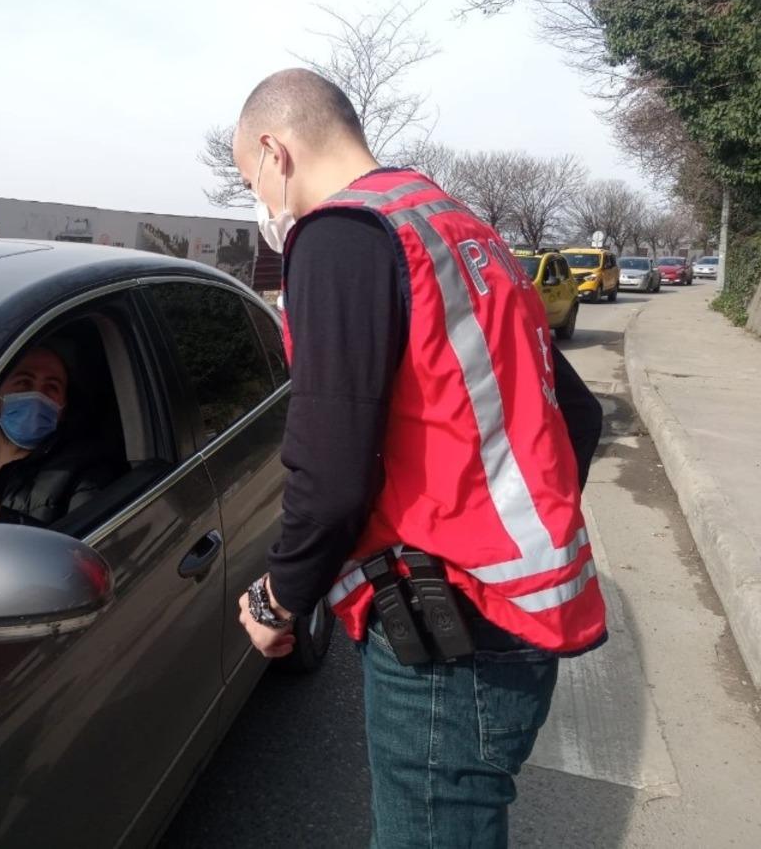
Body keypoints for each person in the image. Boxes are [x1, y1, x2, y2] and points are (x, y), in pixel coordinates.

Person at [231, 69, 606, 848]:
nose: (260, 202)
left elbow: (330, 474)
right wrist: (508, 524)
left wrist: (278, 599)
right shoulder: (457, 227)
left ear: (275, 151)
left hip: (445, 631)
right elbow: (576, 412)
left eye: (249, 180)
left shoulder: (338, 236)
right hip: (514, 622)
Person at [0, 343, 120, 562]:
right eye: (24, 382)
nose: (37, 396)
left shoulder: (87, 472)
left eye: (51, 387)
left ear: (62, 410)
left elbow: (81, 556)